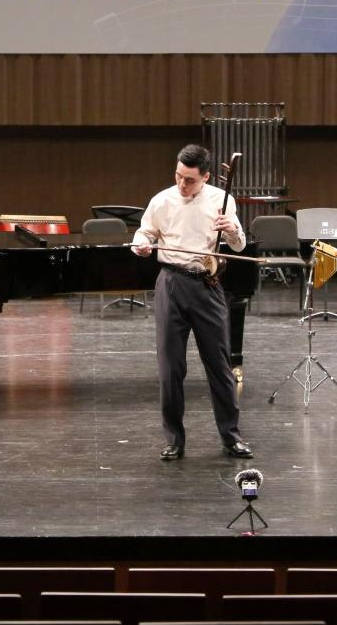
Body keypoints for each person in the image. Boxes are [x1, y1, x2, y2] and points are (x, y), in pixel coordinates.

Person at [131, 144, 253, 460]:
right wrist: (141, 245)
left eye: (190, 180)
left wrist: (232, 229)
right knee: (170, 367)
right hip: (171, 283)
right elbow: (144, 233)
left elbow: (239, 246)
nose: (182, 184)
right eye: (178, 176)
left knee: (219, 364)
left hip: (206, 284)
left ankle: (231, 437)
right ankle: (174, 439)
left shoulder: (222, 200)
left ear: (206, 177)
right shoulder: (162, 200)